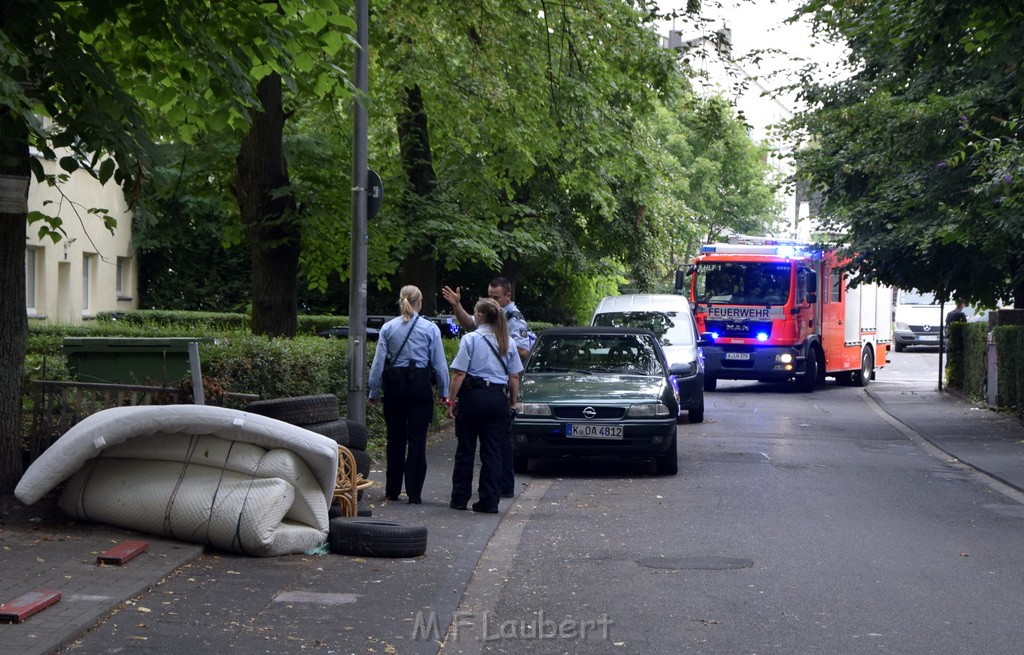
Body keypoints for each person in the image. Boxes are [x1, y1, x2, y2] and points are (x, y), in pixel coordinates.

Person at [441, 277, 530, 498]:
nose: (492, 299)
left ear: (508, 296)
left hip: (474, 396)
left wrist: (451, 400)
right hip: (498, 397)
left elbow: (459, 373)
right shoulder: (502, 337)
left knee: (467, 449)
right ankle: (490, 500)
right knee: (493, 450)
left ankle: (461, 498)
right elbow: (515, 376)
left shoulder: (507, 324)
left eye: (495, 296)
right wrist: (512, 402)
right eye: (489, 296)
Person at [368, 285, 450, 504]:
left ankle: (392, 490)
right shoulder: (430, 328)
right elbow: (439, 363)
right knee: (417, 440)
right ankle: (414, 493)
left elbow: (378, 363)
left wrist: (374, 389)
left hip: (395, 385)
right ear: (419, 302)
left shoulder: (388, 328)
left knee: (395, 439)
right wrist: (444, 391)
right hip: (420, 384)